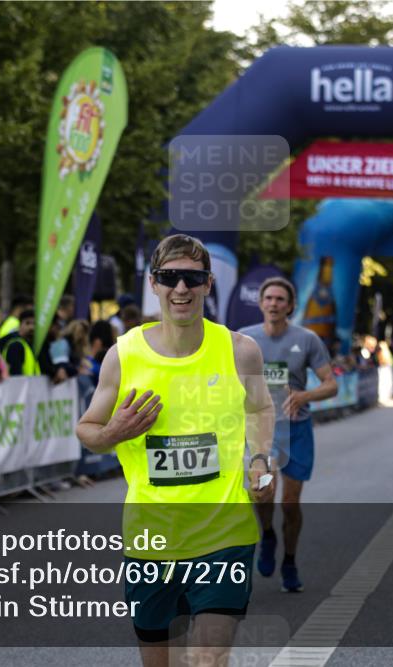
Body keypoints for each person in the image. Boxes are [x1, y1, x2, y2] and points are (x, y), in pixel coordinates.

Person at [75, 234, 275, 667]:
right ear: (154, 284)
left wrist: (259, 458)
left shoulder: (240, 351)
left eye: (191, 278)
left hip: (224, 533)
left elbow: (260, 406)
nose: (180, 289)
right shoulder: (123, 355)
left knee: (208, 658)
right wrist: (115, 432)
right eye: (170, 278)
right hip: (151, 536)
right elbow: (86, 430)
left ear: (207, 284)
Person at [240, 276, 337, 593]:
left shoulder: (307, 340)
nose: (274, 304)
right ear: (260, 303)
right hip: (261, 434)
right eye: (268, 298)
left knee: (291, 503)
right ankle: (267, 533)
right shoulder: (244, 340)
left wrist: (303, 396)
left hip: (296, 431)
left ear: (291, 306)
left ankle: (290, 560)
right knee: (262, 494)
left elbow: (330, 384)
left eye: (281, 299)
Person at [1, 309, 41, 377]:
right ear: (19, 325)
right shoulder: (16, 345)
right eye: (27, 323)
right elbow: (15, 375)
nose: (31, 327)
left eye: (34, 324)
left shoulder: (29, 345)